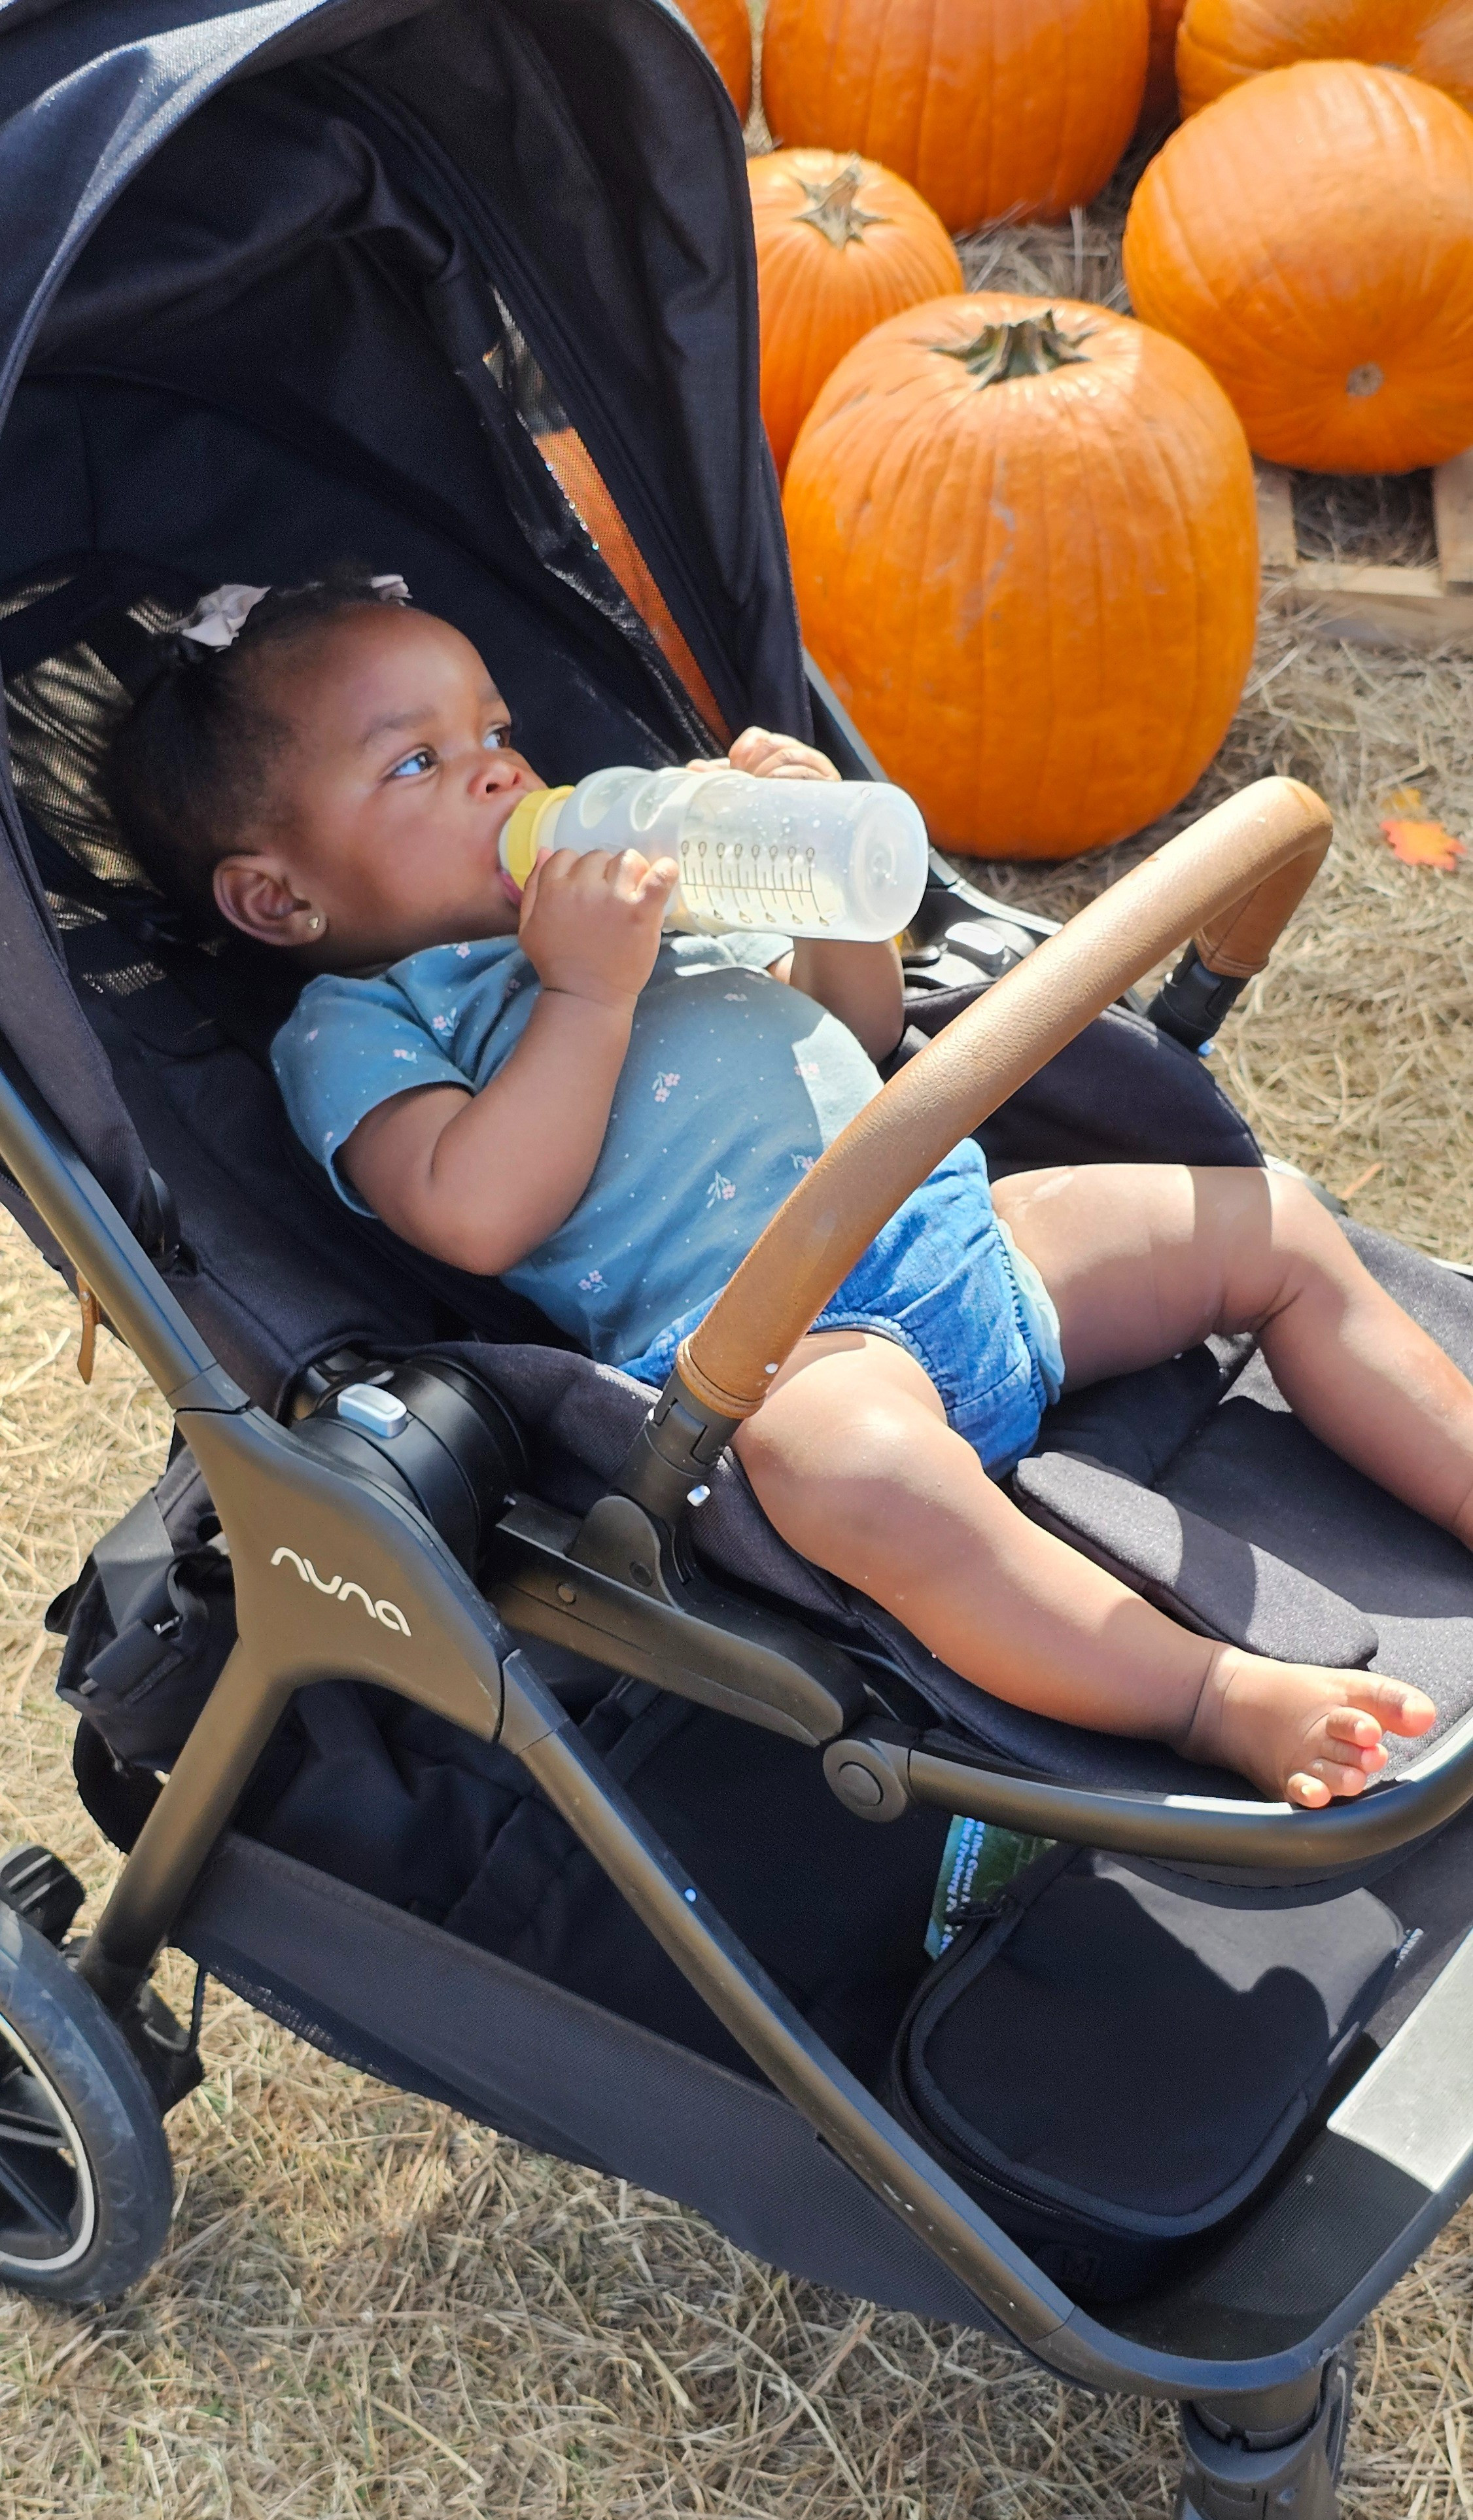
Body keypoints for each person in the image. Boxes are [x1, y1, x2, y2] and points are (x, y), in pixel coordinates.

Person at [107, 572, 1473, 1810]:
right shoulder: (364, 1018)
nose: (497, 774)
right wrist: (584, 989)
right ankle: (1202, 1693)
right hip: (780, 1348)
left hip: (958, 1227)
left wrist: (823, 888)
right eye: (418, 761)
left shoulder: (651, 897)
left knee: (1275, 1224)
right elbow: (473, 1210)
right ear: (280, 901)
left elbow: (858, 1023)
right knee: (852, 1473)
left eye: (495, 730)